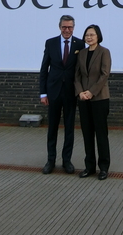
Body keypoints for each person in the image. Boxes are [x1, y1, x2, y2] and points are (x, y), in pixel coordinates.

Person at [39, 14, 84, 174]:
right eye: (64, 27)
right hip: (53, 92)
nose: (67, 30)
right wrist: (43, 93)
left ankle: (67, 161)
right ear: (60, 27)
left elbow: (82, 70)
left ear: (73, 27)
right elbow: (44, 69)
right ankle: (50, 160)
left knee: (69, 128)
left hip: (71, 93)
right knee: (52, 128)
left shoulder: (80, 43)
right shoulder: (50, 43)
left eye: (70, 27)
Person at [74, 24, 111, 180]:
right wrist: (80, 92)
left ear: (98, 36)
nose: (89, 37)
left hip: (99, 98)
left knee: (101, 134)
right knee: (87, 133)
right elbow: (76, 76)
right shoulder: (81, 53)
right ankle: (89, 166)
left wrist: (91, 92)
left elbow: (104, 75)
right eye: (87, 35)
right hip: (84, 99)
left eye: (92, 35)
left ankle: (103, 167)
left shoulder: (104, 52)